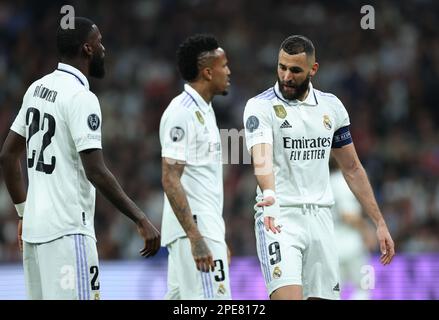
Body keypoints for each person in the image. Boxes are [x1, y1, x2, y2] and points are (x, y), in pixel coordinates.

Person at [0, 17, 160, 300]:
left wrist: (24, 213)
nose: (103, 49)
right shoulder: (80, 97)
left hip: (35, 234)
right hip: (68, 233)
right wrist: (140, 217)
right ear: (87, 49)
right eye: (99, 43)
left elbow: (7, 155)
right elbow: (95, 171)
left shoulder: (36, 88)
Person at [243, 35, 395, 300]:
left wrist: (379, 222)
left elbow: (353, 168)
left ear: (313, 69)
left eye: (295, 70)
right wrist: (269, 197)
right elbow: (262, 158)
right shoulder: (260, 106)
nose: (286, 76)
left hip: (323, 220)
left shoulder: (331, 107)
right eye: (281, 67)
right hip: (280, 217)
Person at [160, 34, 231, 299]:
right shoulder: (183, 112)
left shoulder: (205, 110)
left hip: (203, 227)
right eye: (224, 65)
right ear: (208, 72)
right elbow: (169, 177)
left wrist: (216, 237)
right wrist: (198, 236)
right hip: (196, 228)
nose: (229, 71)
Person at [330, 164, 376, 300]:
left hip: (333, 245)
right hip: (350, 245)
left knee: (332, 292)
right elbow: (348, 215)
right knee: (365, 287)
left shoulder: (331, 179)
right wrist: (366, 229)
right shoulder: (342, 180)